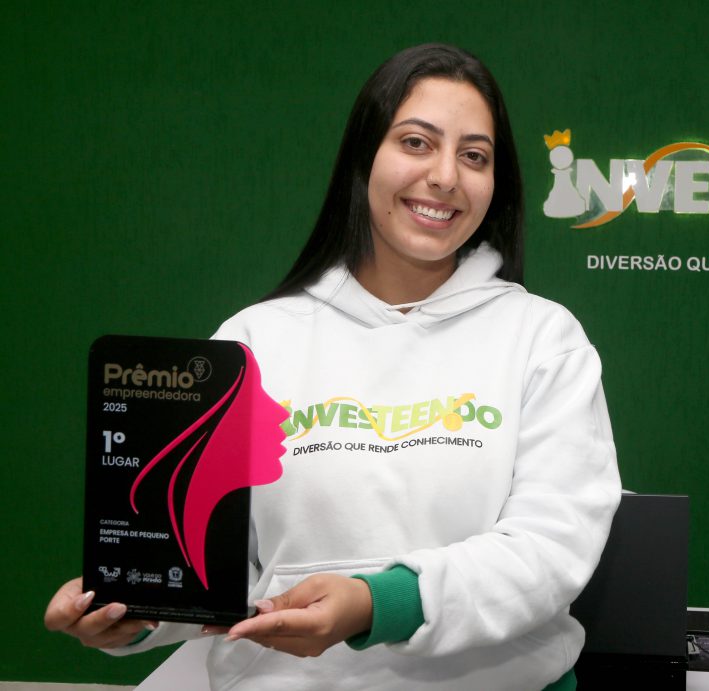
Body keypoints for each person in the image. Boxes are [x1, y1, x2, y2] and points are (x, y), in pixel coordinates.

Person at [45, 43, 620, 690]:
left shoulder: (542, 338)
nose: (445, 176)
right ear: (363, 155)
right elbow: (212, 560)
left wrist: (378, 602)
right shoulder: (254, 342)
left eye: (474, 155)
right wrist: (135, 609)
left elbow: (551, 549)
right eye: (416, 142)